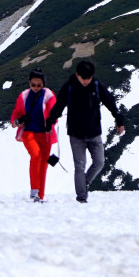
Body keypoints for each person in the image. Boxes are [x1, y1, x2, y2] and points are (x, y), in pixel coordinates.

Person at [47, 59, 125, 203]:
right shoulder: (69, 87)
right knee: (79, 166)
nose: (86, 81)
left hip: (94, 132)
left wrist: (119, 120)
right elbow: (59, 106)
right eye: (83, 78)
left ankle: (84, 183)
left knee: (99, 162)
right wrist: (49, 123)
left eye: (88, 78)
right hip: (76, 134)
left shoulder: (96, 85)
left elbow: (110, 101)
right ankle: (81, 198)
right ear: (77, 75)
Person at [10, 68, 57, 202]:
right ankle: (34, 191)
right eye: (33, 85)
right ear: (29, 83)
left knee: (43, 164)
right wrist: (16, 122)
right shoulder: (23, 96)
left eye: (39, 85)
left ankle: (40, 196)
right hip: (29, 132)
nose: (36, 87)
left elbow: (53, 113)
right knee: (35, 155)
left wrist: (50, 124)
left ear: (43, 84)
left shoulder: (49, 95)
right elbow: (16, 113)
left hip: (45, 134)